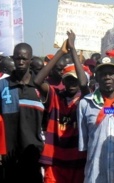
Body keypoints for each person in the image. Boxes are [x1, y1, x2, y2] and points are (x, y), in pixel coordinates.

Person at [34, 30, 89, 183]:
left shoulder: (85, 101)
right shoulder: (55, 97)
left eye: (75, 80)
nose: (72, 83)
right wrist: (60, 52)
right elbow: (37, 81)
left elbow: (84, 84)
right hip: (54, 160)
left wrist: (73, 50)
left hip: (77, 161)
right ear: (62, 81)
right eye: (68, 80)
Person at [0, 43, 44, 183]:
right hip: (9, 155)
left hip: (34, 154)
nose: (20, 62)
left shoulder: (40, 87)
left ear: (31, 60)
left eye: (24, 59)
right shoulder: (2, 85)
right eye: (17, 58)